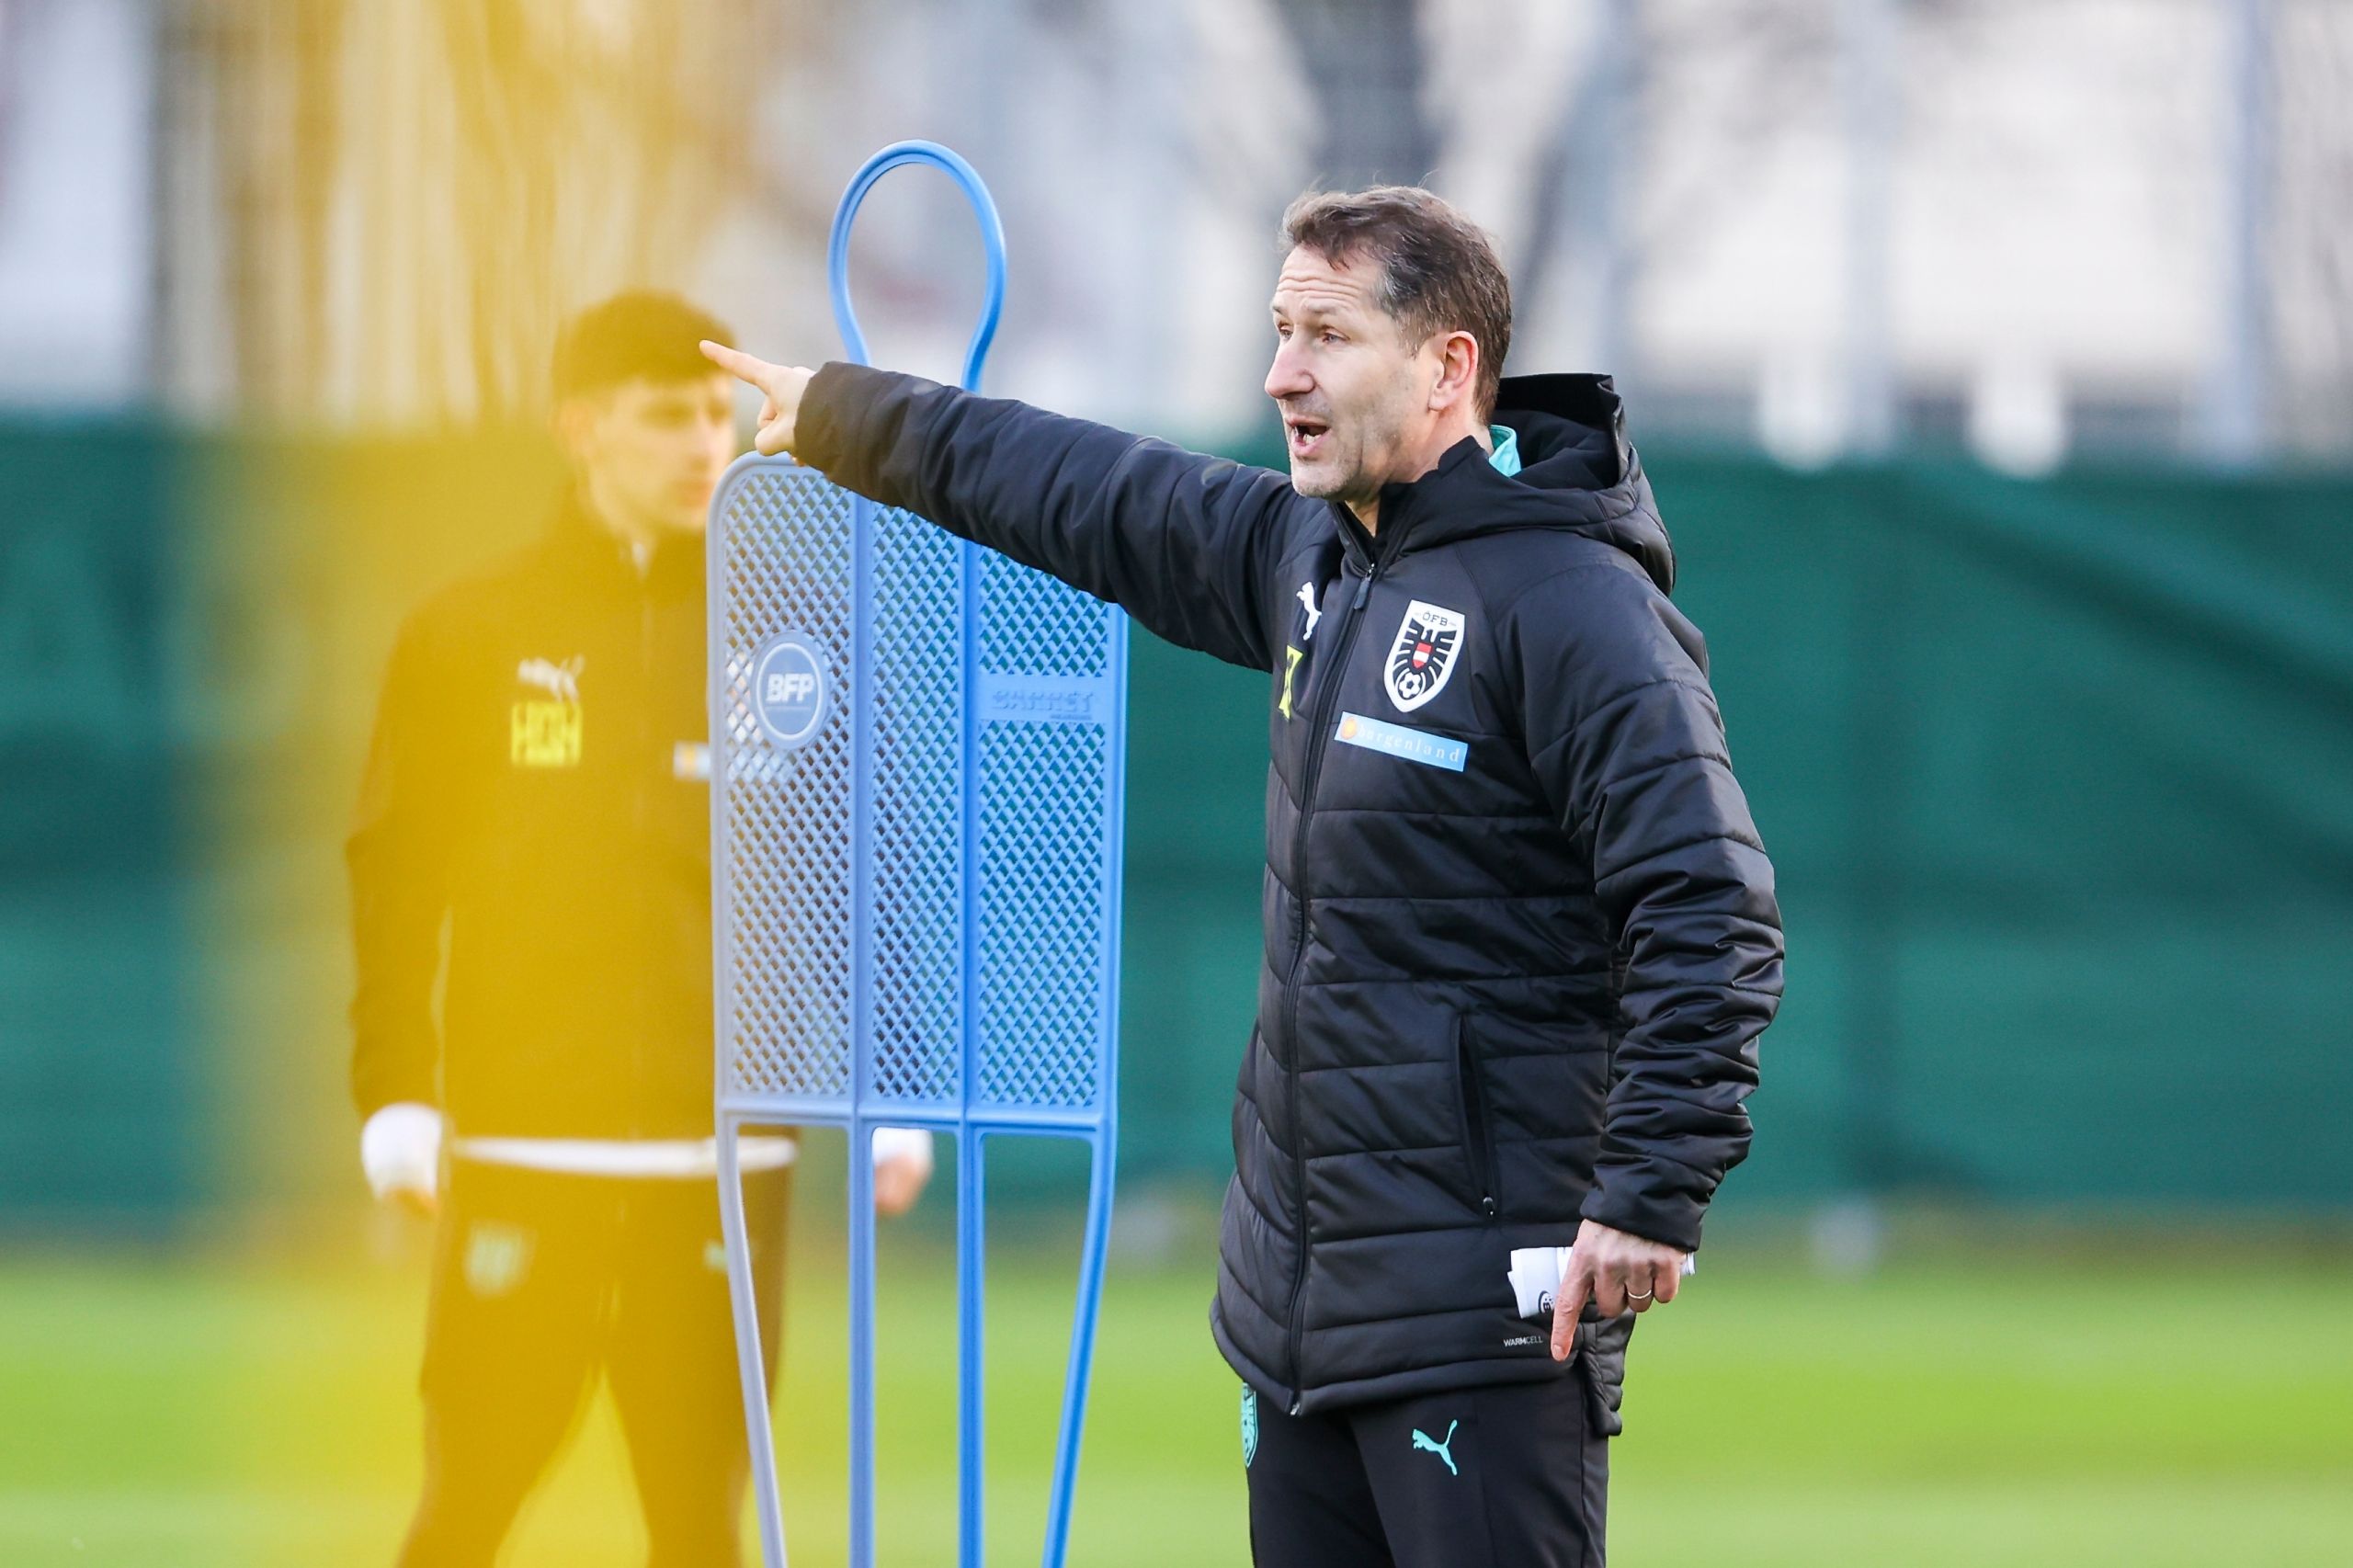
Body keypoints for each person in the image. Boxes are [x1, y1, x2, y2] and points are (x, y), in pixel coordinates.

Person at [703, 187, 1783, 1567]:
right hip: (1295, 1320)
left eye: (1325, 335)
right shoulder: (1313, 556)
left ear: (1449, 367)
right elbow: (1090, 490)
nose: (1282, 373)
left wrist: (1649, 1187)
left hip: (1480, 1317)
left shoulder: (1573, 603)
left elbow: (1710, 904)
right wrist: (848, 416)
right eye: (1280, 331)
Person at [347, 290, 937, 1568]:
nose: (699, 447)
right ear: (580, 429)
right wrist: (393, 1090)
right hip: (521, 1153)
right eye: (664, 418)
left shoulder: (787, 631)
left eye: (713, 418)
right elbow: (396, 876)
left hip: (725, 1162)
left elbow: (859, 868)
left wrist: (895, 1082)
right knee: (463, 1514)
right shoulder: (468, 632)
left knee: (701, 1526)